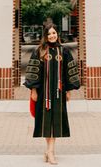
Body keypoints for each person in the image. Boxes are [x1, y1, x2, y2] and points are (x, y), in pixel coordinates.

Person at [24, 23, 80, 165]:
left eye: (54, 33)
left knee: (55, 122)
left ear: (57, 34)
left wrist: (68, 91)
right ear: (45, 36)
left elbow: (69, 73)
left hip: (58, 93)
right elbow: (33, 72)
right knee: (45, 122)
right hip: (43, 94)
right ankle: (50, 151)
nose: (52, 36)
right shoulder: (40, 51)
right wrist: (33, 90)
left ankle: (50, 151)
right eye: (49, 34)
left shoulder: (64, 51)